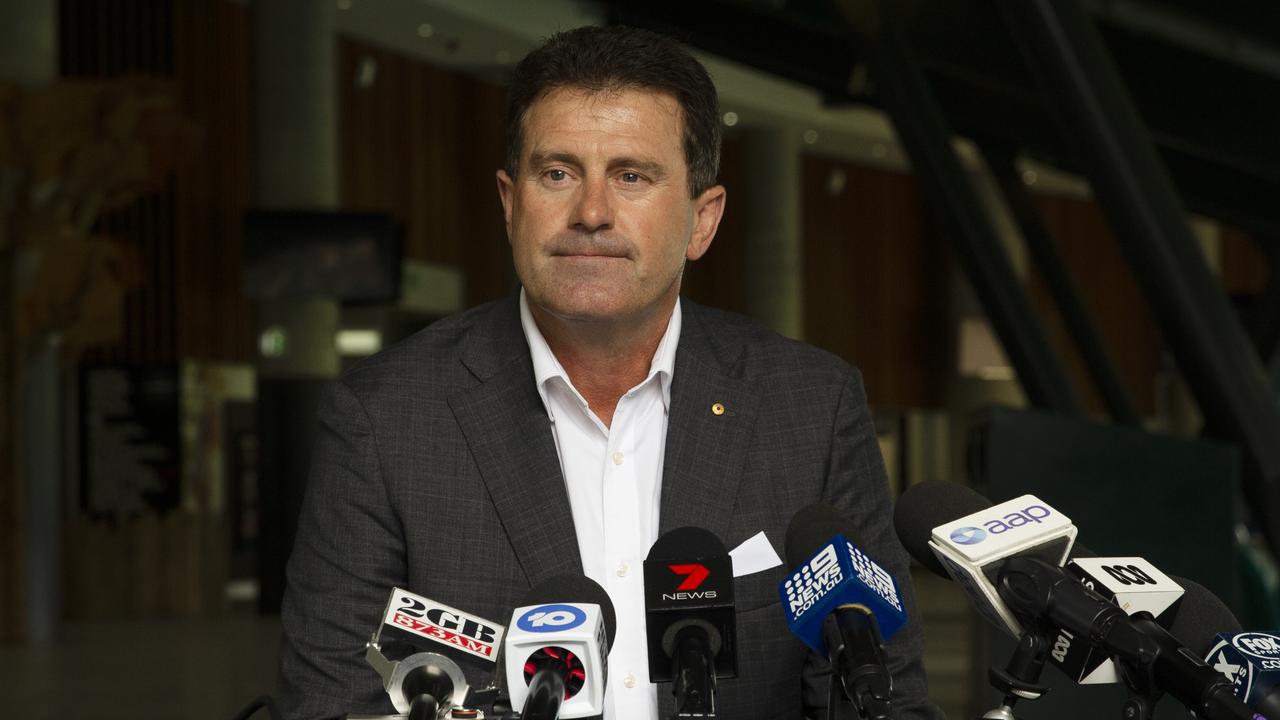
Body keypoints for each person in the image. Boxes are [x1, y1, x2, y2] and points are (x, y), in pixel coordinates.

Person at [277, 24, 944, 720]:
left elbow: (882, 698)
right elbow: (330, 703)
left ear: (702, 219)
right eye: (557, 173)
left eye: (632, 176)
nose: (591, 212)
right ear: (511, 204)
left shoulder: (812, 408)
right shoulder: (386, 419)